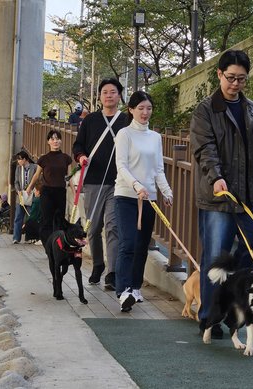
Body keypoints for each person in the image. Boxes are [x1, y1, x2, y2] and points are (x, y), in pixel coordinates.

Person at [190, 49, 253, 337]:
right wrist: (216, 178)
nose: (235, 84)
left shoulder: (252, 110)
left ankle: (234, 290)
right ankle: (210, 317)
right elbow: (205, 149)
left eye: (242, 79)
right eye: (231, 78)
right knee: (214, 256)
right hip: (217, 197)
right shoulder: (205, 110)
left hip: (249, 196)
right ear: (219, 74)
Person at [113, 91, 173, 312]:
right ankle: (123, 290)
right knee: (127, 243)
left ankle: (135, 287)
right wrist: (137, 185)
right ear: (131, 110)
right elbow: (122, 166)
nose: (145, 112)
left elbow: (158, 169)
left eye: (148, 108)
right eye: (141, 108)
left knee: (141, 246)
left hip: (150, 199)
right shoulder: (124, 134)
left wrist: (166, 192)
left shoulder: (155, 137)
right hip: (126, 196)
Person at [72, 77, 128, 289]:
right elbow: (78, 145)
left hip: (118, 182)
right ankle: (97, 264)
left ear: (119, 95)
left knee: (113, 227)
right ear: (99, 96)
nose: (109, 95)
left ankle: (112, 273)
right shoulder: (90, 120)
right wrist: (81, 157)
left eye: (113, 92)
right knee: (94, 228)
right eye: (105, 92)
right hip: (94, 181)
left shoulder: (126, 121)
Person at [26, 129, 72, 246]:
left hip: (60, 191)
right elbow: (37, 175)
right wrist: (30, 188)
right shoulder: (43, 158)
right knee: (47, 219)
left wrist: (75, 189)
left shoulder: (66, 158)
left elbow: (69, 176)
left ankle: (59, 244)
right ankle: (48, 245)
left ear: (61, 141)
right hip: (47, 192)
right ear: (48, 142)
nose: (55, 141)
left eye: (57, 139)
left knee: (60, 219)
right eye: (52, 139)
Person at [13, 151, 38, 244]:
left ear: (25, 159)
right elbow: (16, 182)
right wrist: (18, 190)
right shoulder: (18, 168)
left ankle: (30, 237)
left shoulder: (34, 167)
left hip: (32, 194)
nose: (18, 161)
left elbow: (38, 179)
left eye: (19, 159)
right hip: (21, 195)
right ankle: (16, 238)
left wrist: (33, 189)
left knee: (31, 216)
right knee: (18, 217)